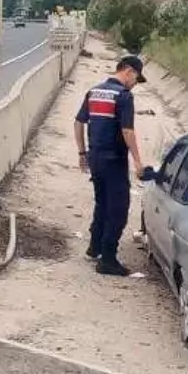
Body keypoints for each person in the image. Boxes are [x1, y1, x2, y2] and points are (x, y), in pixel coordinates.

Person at [74, 55, 147, 276]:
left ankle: (94, 247)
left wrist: (81, 152)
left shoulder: (95, 91)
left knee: (102, 202)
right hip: (114, 160)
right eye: (136, 78)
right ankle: (107, 260)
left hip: (95, 158)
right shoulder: (124, 96)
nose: (135, 83)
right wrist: (137, 161)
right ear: (129, 71)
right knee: (118, 208)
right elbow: (127, 131)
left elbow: (78, 122)